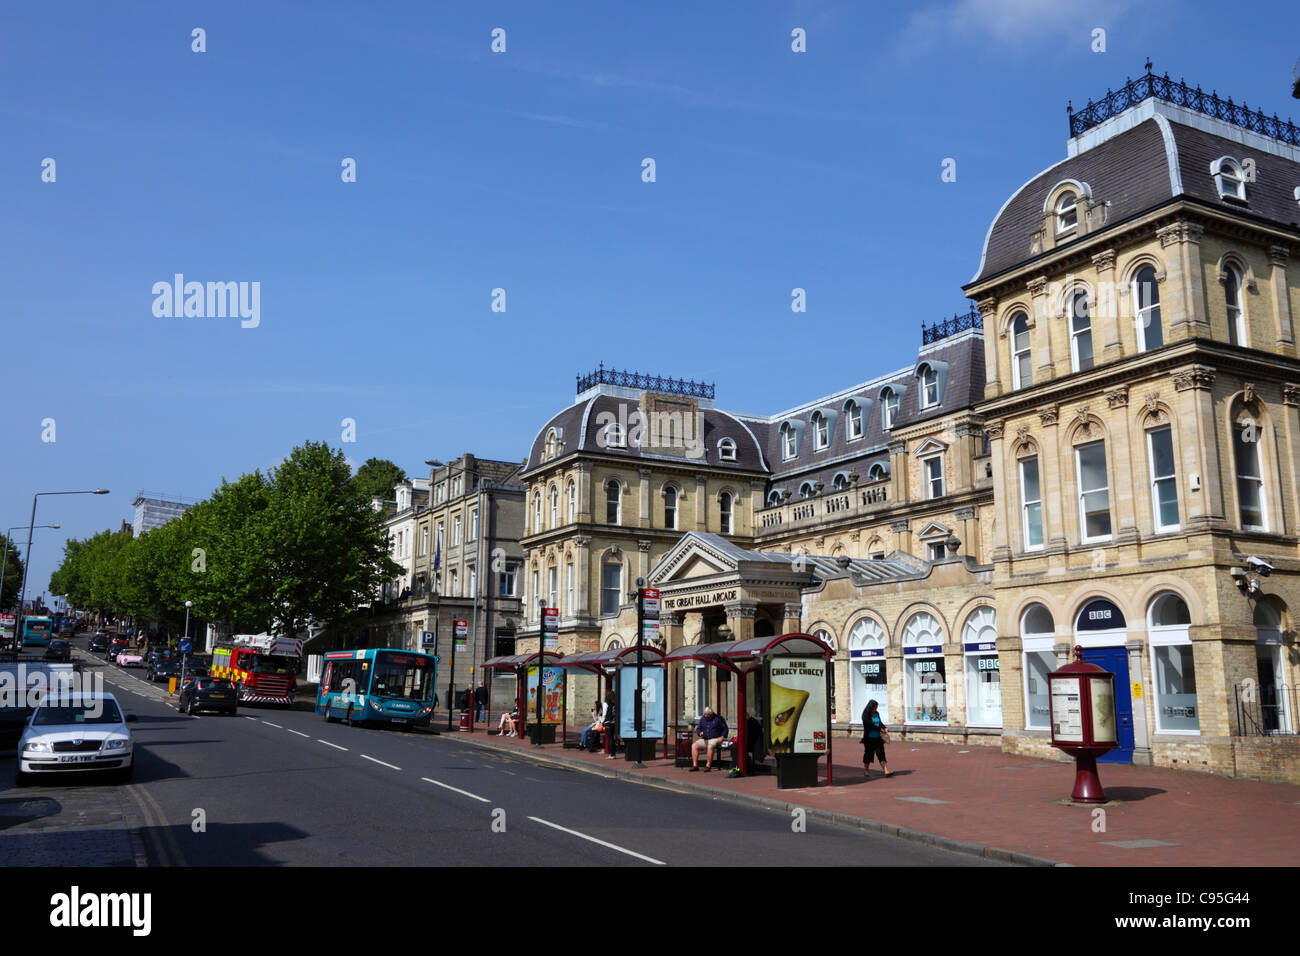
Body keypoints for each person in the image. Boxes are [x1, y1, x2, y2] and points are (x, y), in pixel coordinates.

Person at [690, 706, 728, 772]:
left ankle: (708, 765)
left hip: (715, 738)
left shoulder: (718, 718)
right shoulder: (703, 718)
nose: (706, 716)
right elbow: (698, 728)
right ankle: (695, 765)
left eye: (708, 715)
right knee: (694, 745)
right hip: (705, 738)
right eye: (705, 715)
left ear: (711, 714)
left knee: (710, 746)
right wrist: (700, 733)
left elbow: (725, 729)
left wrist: (722, 737)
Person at [861, 699, 892, 778]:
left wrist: (884, 728)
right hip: (869, 739)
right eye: (875, 707)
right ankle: (866, 770)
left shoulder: (877, 713)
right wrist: (880, 729)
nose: (876, 709)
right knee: (868, 755)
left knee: (881, 754)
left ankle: (886, 770)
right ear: (870, 707)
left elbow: (880, 723)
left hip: (878, 738)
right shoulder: (865, 715)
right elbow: (870, 725)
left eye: (876, 707)